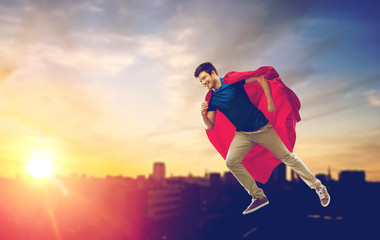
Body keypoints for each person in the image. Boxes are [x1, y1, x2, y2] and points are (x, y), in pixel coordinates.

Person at [194, 62, 330, 215]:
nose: (203, 82)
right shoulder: (212, 100)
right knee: (231, 162)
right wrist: (202, 115)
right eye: (201, 81)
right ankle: (258, 196)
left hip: (262, 129)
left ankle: (318, 187)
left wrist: (270, 101)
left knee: (288, 157)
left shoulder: (231, 81)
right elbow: (209, 126)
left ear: (213, 73)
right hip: (243, 134)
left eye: (204, 77)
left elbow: (259, 78)